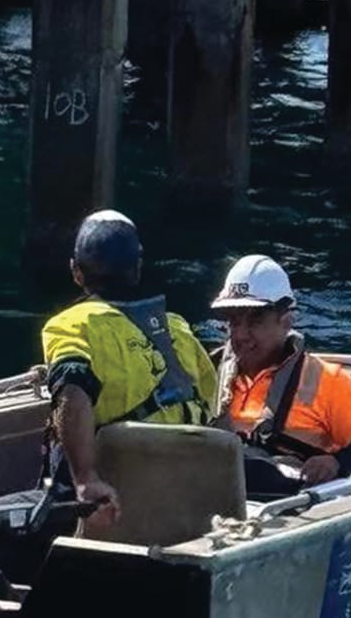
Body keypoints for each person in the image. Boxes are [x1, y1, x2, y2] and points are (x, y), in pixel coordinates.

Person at [40, 210, 218, 534]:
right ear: (138, 268)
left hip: (111, 509)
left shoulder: (71, 325)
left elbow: (72, 389)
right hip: (189, 508)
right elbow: (219, 420)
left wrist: (85, 481)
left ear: (76, 272)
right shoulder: (178, 329)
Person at [209, 253, 351, 497]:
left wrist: (336, 463)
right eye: (234, 322)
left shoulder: (326, 381)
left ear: (286, 322)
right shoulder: (208, 373)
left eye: (255, 321)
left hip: (287, 511)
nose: (241, 334)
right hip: (211, 501)